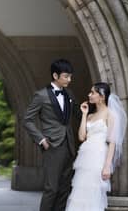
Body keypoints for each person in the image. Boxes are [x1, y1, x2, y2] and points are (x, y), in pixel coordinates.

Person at [24, 59, 80, 211]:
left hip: (69, 145)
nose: (69, 79)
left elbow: (79, 115)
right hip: (52, 146)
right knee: (52, 188)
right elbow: (27, 120)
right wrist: (41, 140)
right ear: (55, 75)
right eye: (66, 76)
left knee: (64, 188)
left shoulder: (69, 93)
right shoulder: (41, 95)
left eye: (70, 76)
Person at [65, 82, 127, 211]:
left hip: (98, 157)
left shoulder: (110, 114)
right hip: (85, 157)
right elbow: (82, 137)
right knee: (80, 190)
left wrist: (107, 166)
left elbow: (112, 142)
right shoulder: (90, 115)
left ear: (102, 96)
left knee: (93, 192)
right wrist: (83, 114)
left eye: (93, 92)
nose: (89, 95)